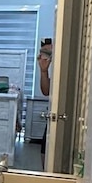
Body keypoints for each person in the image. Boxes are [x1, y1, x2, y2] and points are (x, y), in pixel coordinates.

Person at [38, 39, 53, 167]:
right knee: (44, 153)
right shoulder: (50, 68)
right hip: (51, 114)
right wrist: (43, 71)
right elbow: (46, 91)